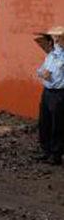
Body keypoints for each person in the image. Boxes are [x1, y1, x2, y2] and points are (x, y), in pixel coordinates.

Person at [37, 27, 64, 165]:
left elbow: (50, 74)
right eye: (55, 37)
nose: (57, 40)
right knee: (44, 122)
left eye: (59, 37)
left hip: (60, 93)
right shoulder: (51, 55)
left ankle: (56, 154)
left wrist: (47, 74)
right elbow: (40, 71)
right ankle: (46, 151)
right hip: (47, 92)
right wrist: (43, 73)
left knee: (57, 124)